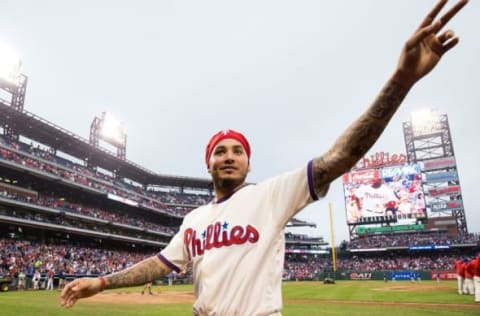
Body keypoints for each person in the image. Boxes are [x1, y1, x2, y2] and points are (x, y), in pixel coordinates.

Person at [60, 1, 469, 314]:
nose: (229, 156)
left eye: (238, 150)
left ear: (249, 164)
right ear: (209, 164)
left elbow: (343, 156)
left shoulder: (272, 195)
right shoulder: (193, 221)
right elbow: (161, 264)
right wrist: (101, 282)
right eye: (220, 151)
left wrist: (400, 81)